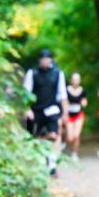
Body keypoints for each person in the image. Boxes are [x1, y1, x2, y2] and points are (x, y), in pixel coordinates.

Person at [22, 48, 69, 177]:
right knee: (36, 137)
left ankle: (52, 163)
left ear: (51, 60)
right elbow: (26, 93)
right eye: (43, 59)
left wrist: (65, 113)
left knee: (54, 134)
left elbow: (63, 95)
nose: (45, 61)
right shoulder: (32, 73)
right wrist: (27, 109)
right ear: (39, 60)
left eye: (47, 58)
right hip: (36, 110)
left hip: (52, 109)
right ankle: (41, 161)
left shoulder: (58, 73)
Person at [63, 72, 88, 161]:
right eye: (74, 79)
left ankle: (74, 153)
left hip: (78, 115)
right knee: (70, 137)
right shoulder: (66, 90)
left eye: (77, 80)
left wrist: (83, 103)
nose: (75, 81)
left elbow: (85, 102)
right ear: (71, 80)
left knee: (76, 135)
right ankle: (64, 144)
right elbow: (64, 101)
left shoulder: (83, 91)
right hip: (69, 115)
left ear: (80, 81)